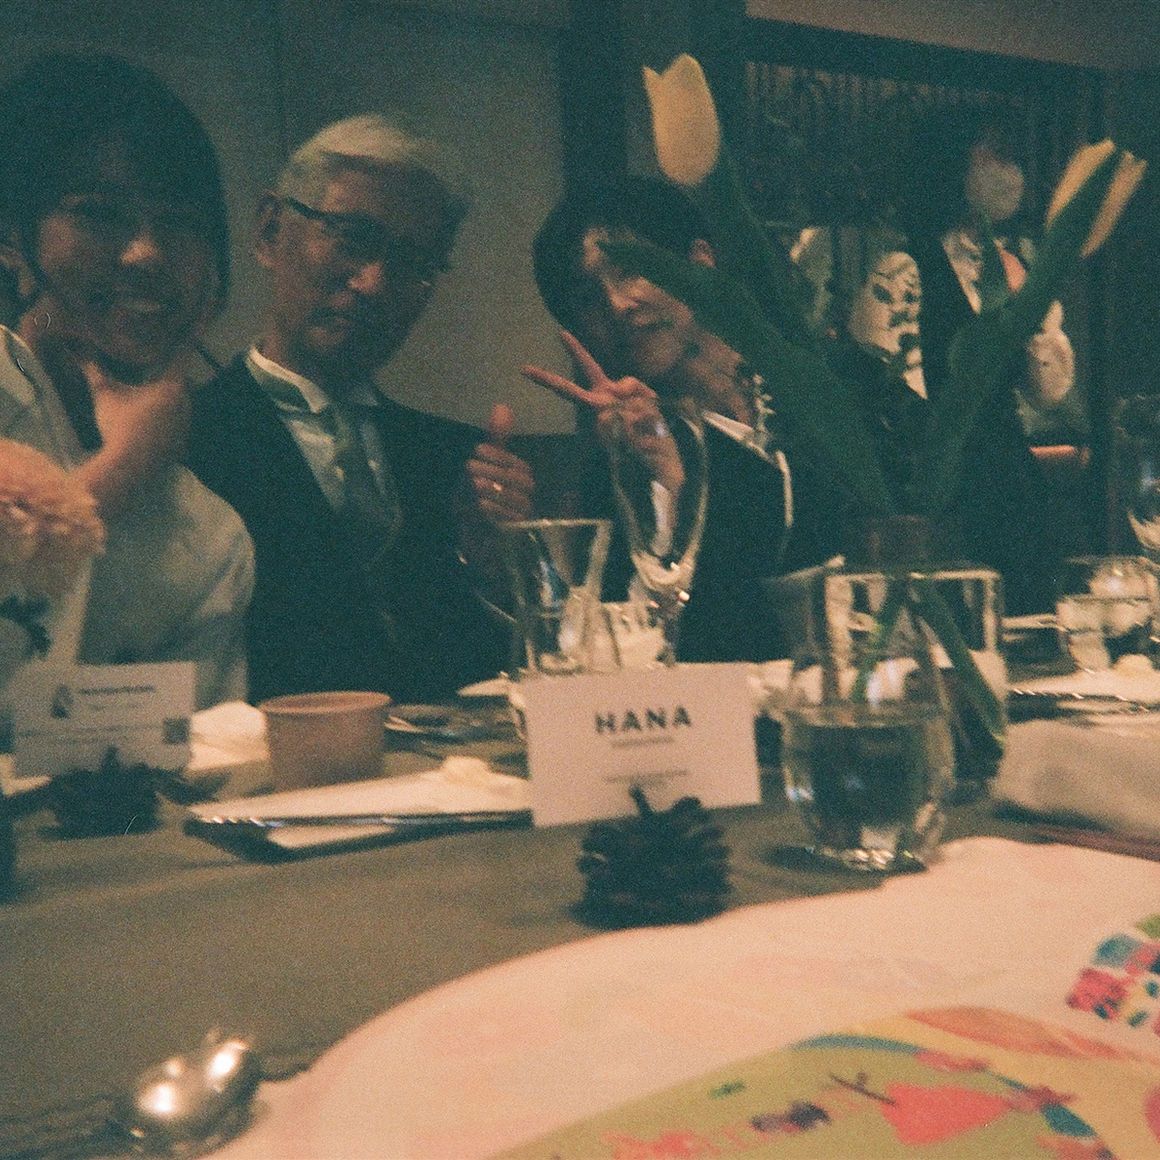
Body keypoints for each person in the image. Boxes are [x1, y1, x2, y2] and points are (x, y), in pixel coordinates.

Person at [186, 115, 533, 703]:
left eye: (415, 263)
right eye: (353, 238)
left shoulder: (458, 463)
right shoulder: (184, 440)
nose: (375, 283)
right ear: (270, 230)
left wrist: (494, 572)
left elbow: (509, 673)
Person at [0, 53, 254, 709]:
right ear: (12, 238)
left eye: (182, 222)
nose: (146, 253)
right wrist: (118, 472)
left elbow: (198, 754)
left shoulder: (208, 535)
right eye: (99, 213)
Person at [524, 177, 841, 663]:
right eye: (587, 298)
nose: (616, 306)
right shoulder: (624, 459)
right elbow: (645, 655)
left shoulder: (822, 391)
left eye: (631, 271)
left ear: (700, 263)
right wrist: (667, 483)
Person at [846, 106, 1077, 612]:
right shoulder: (904, 271)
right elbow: (889, 403)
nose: (1010, 169)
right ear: (952, 165)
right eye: (995, 153)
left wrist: (1030, 302)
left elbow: (1051, 392)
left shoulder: (1014, 265)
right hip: (946, 497)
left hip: (1014, 484)